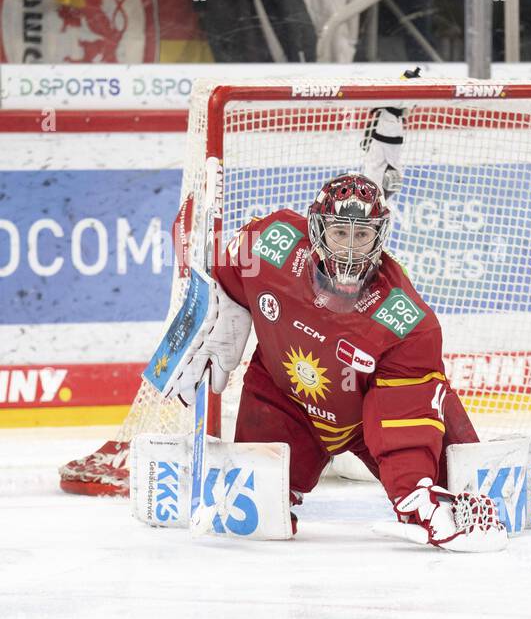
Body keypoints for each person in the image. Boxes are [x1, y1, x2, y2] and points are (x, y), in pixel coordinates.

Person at [164, 172, 506, 552]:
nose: (350, 249)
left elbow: (402, 413)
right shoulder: (269, 243)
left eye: (362, 236)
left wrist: (415, 492)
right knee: (249, 519)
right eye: (340, 233)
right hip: (286, 401)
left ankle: (521, 469)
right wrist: (208, 313)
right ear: (316, 228)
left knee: (469, 492)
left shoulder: (405, 318)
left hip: (366, 418)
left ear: (379, 237)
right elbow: (222, 274)